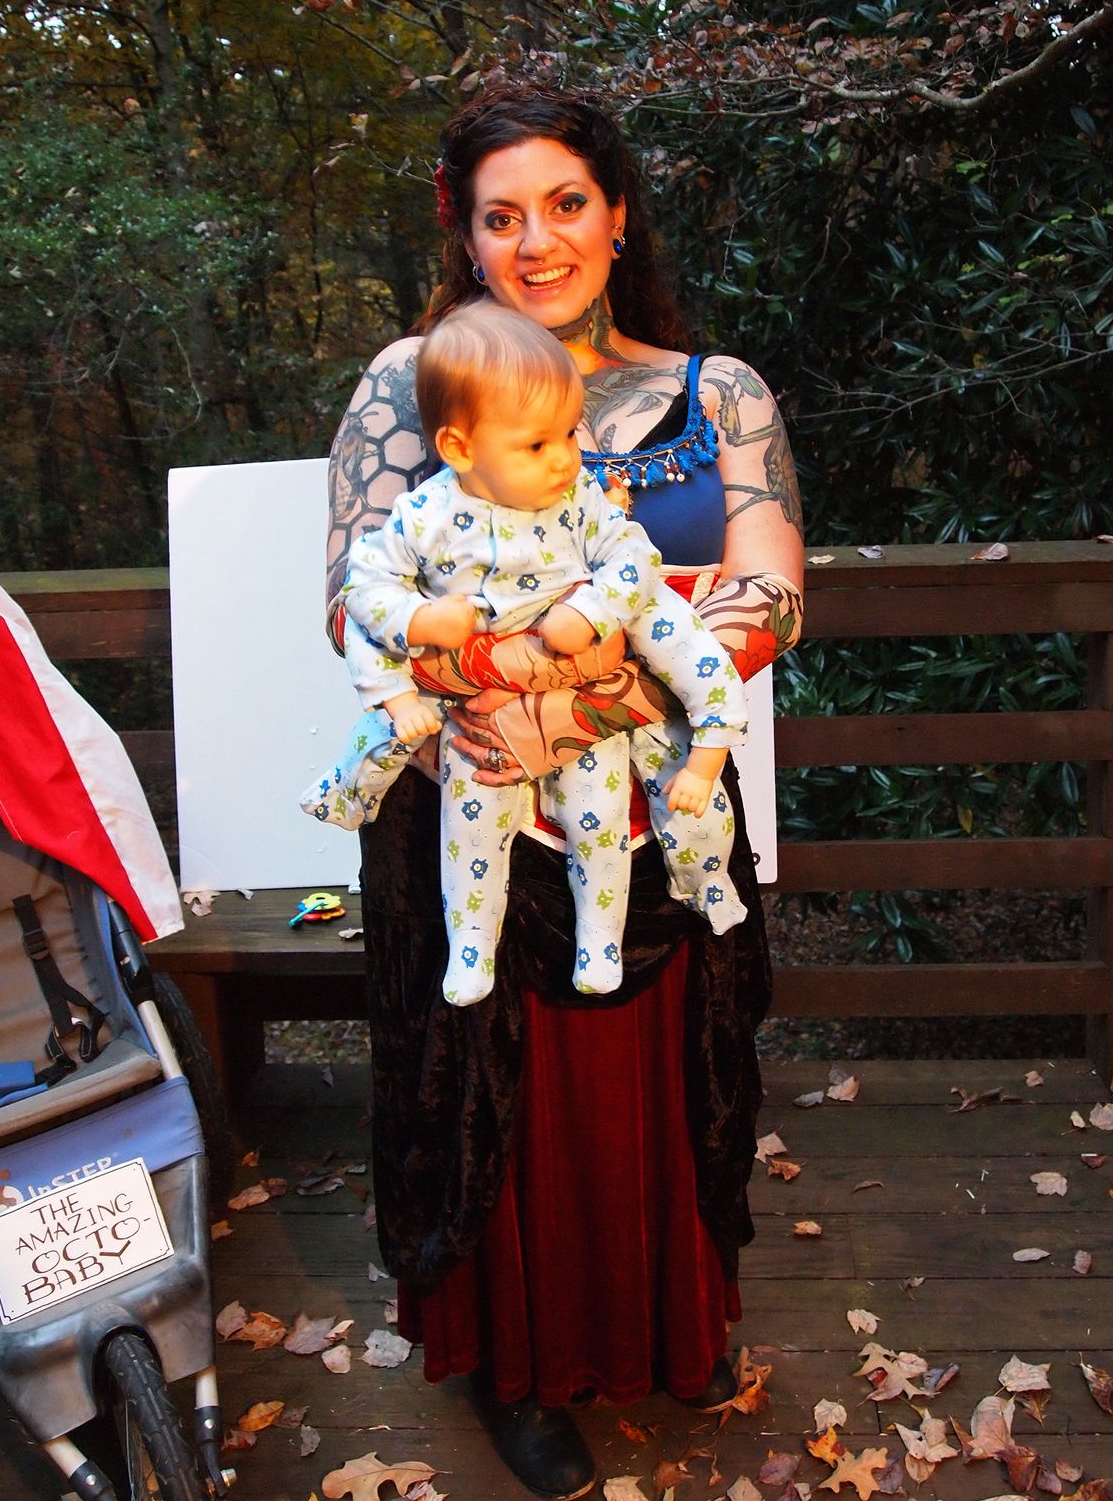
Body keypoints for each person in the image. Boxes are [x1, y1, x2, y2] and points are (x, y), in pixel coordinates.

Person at [324, 84, 805, 1500]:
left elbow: (773, 591)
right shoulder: (405, 384)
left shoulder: (720, 394)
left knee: (661, 1074)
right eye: (502, 217)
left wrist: (591, 701)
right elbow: (354, 599)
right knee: (494, 1087)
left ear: (617, 210)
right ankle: (513, 1361)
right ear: (464, 234)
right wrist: (500, 710)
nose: (537, 242)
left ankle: (668, 1325)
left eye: (566, 204)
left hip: (661, 801)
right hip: (467, 794)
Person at [306, 302, 749, 1004]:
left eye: (568, 433)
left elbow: (632, 556)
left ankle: (600, 938)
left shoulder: (580, 500)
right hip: (475, 721)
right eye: (538, 445)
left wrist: (591, 611)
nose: (567, 457)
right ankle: (472, 946)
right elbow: (362, 590)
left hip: (581, 710)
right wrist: (420, 621)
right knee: (472, 833)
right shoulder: (424, 516)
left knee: (597, 824)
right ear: (459, 449)